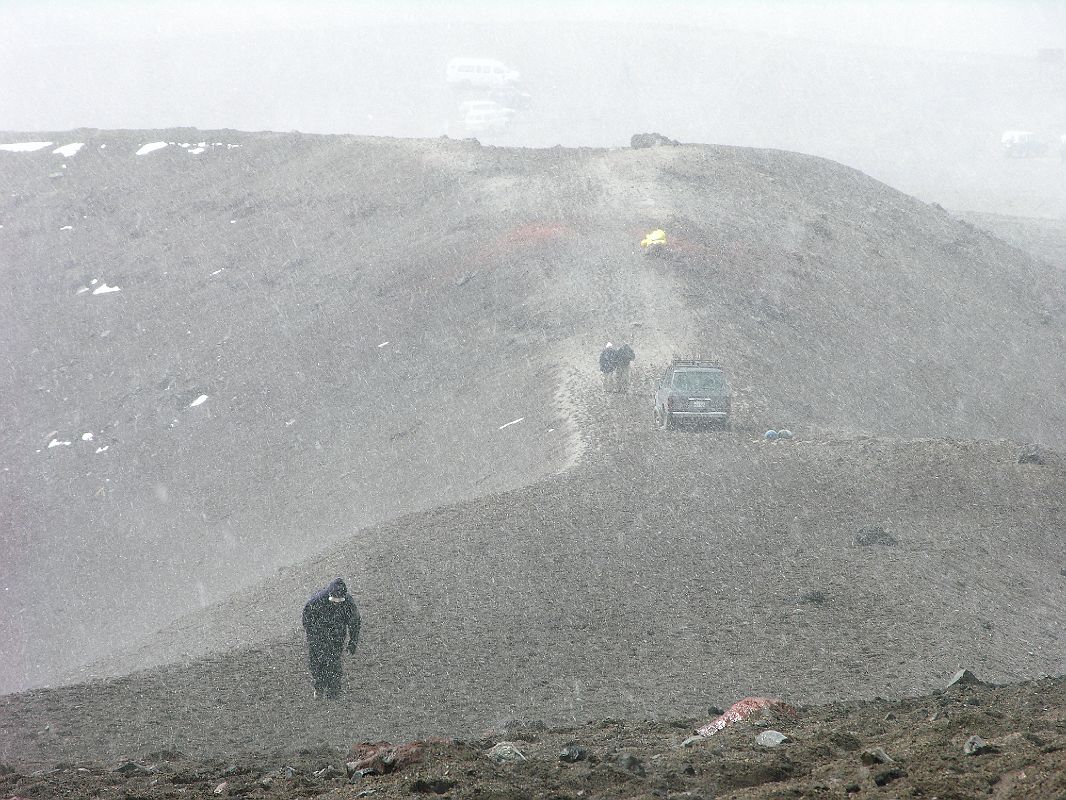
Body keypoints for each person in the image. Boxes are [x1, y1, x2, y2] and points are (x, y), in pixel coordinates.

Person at [302, 577, 361, 699]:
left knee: (334, 665)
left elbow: (354, 622)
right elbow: (306, 619)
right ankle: (319, 687)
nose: (337, 603)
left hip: (336, 638)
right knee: (317, 664)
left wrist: (353, 641)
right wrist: (313, 636)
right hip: (317, 637)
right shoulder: (316, 601)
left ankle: (333, 694)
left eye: (340, 601)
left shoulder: (348, 603)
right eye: (334, 600)